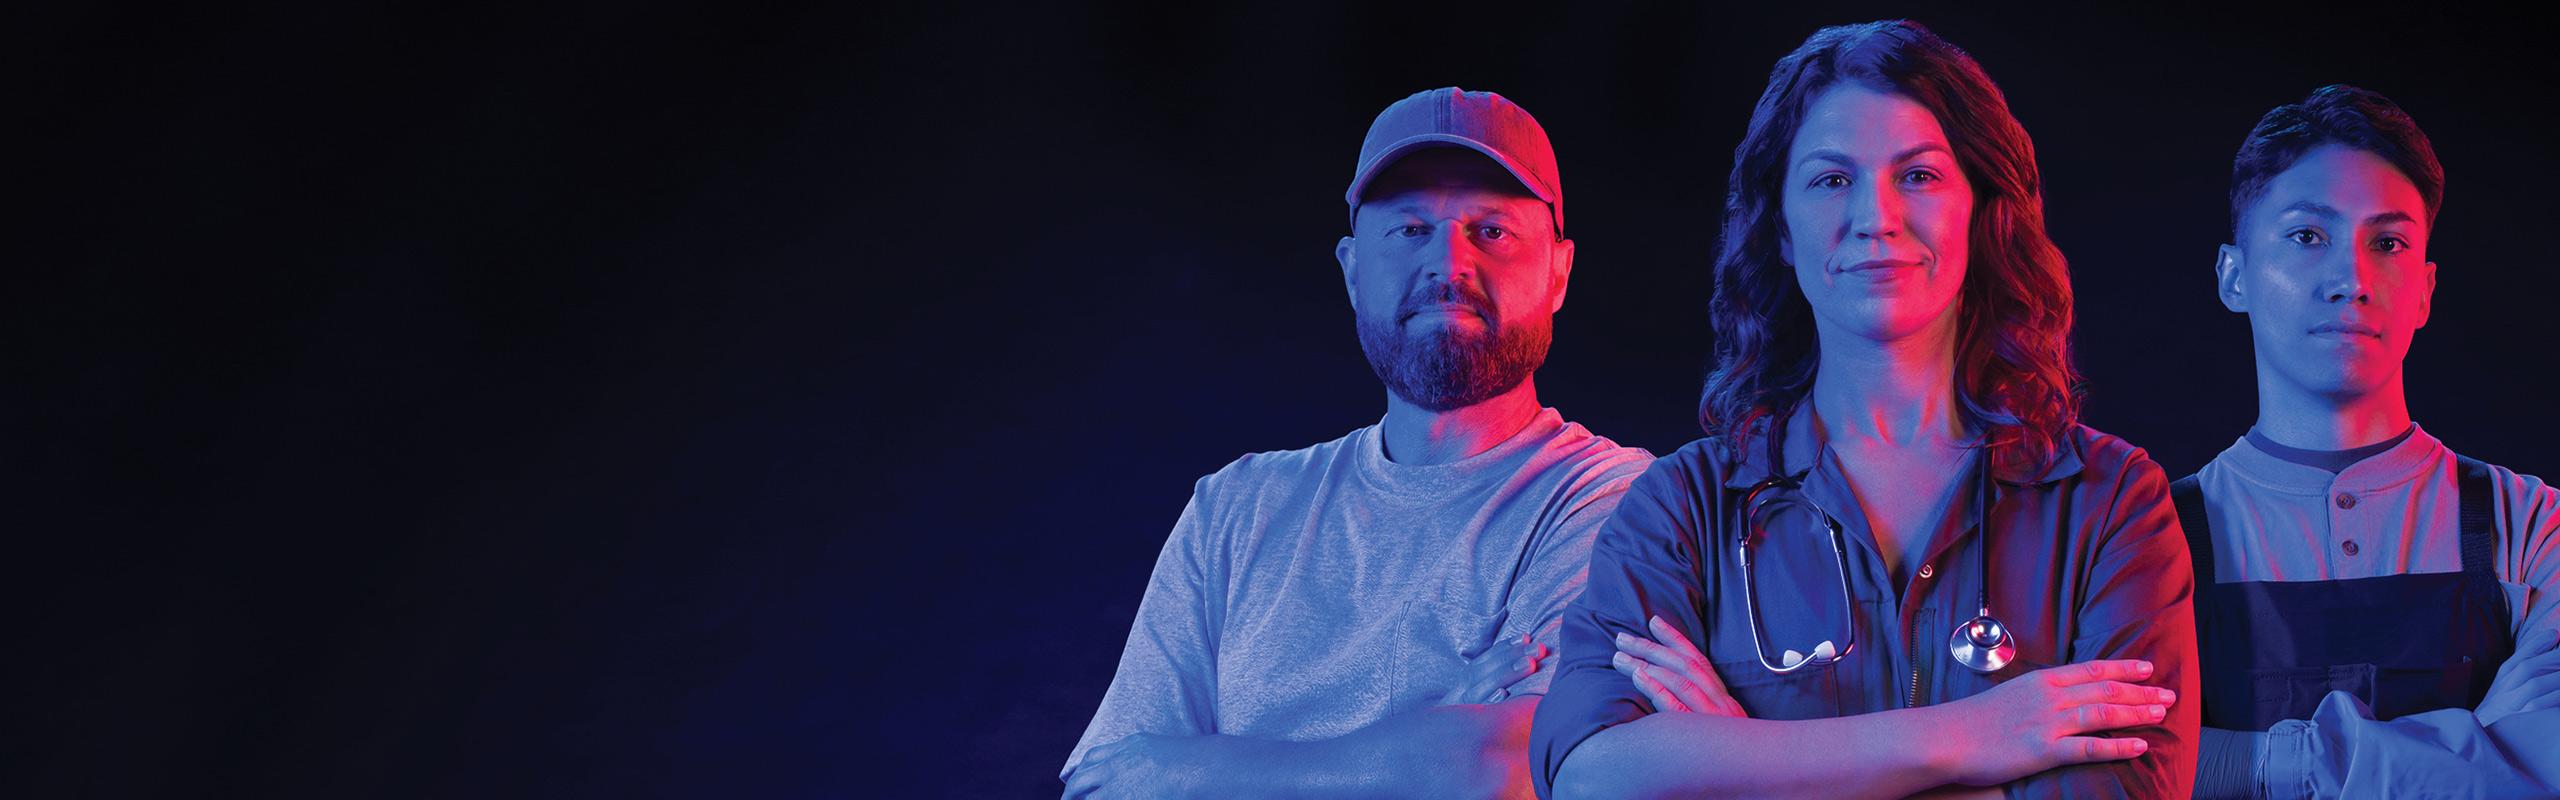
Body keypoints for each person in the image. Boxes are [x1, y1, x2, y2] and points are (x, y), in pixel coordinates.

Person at [1529, 21, 2198, 798]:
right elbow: (1587, 773)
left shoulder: (2109, 503)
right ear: (1781, 229)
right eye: (1831, 180)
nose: (1876, 217)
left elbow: (2129, 789)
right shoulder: (1683, 509)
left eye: (1918, 176)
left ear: (1980, 212)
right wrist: (1972, 737)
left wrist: (1746, 763)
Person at [1060, 87, 1653, 800]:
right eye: (1409, 230)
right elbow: (1108, 787)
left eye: (1491, 231)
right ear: (1351, 270)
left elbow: (1504, 768)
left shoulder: (1613, 500)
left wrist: (1193, 771)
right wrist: (1426, 738)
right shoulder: (1234, 510)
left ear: (1558, 272)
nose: (1449, 265)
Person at [2177, 85, 2560, 798]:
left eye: (2388, 243)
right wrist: (2475, 754)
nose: (2351, 280)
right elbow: (2114, 766)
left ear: (2424, 290)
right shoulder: (2151, 538)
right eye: (2307, 237)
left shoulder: (2534, 528)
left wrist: (2244, 764)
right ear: (2234, 276)